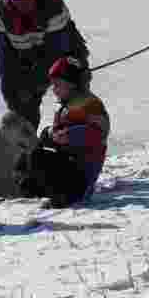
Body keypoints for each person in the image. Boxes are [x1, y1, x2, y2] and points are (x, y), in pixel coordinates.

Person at [0, 0, 89, 129]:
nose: (24, 4)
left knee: (75, 103)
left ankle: (76, 141)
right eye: (19, 0)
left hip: (67, 57)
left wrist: (35, 82)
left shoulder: (54, 9)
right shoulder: (4, 19)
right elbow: (7, 61)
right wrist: (12, 96)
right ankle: (27, 150)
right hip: (28, 61)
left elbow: (56, 54)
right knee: (22, 109)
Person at [17, 55, 110, 209]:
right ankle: (28, 188)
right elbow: (58, 133)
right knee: (28, 155)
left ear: (73, 85)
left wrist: (69, 135)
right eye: (53, 85)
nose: (53, 90)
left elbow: (98, 132)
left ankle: (63, 197)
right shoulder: (68, 106)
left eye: (58, 85)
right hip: (69, 168)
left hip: (81, 178)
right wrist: (48, 134)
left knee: (38, 158)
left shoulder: (90, 105)